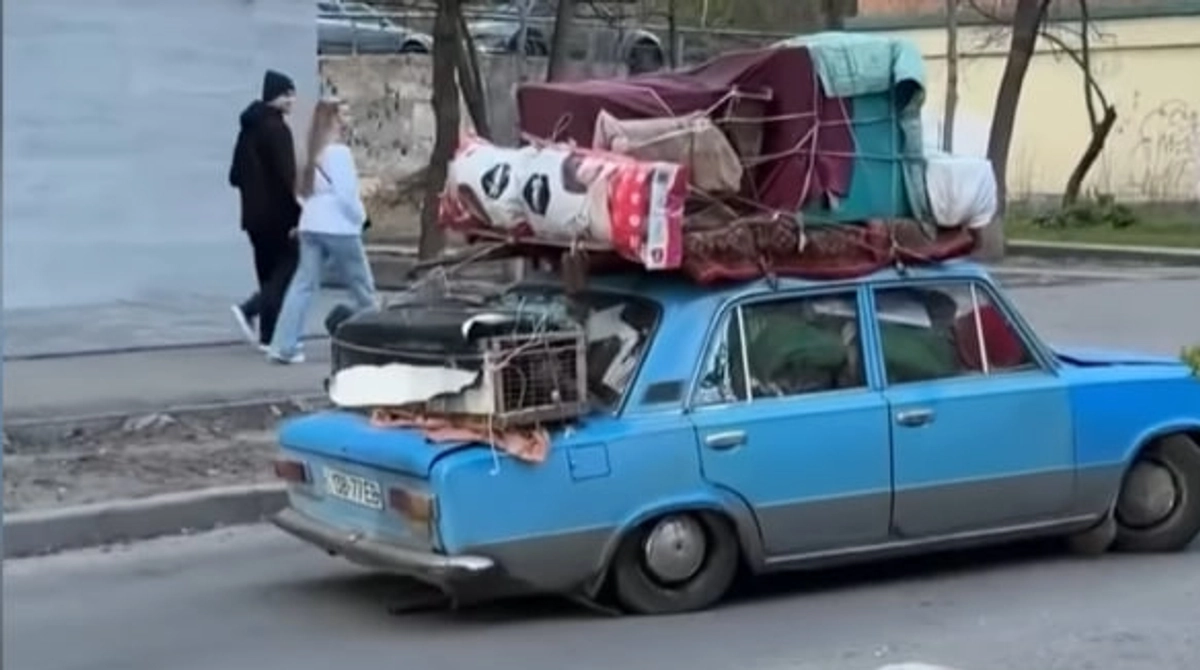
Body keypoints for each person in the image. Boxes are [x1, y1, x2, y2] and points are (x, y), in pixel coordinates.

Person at [268, 97, 377, 364]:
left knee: (302, 286)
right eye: (344, 115)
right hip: (339, 227)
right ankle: (379, 341)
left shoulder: (311, 152)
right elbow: (347, 195)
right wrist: (360, 218)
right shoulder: (339, 153)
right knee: (363, 288)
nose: (348, 119)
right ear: (334, 120)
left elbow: (303, 194)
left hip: (311, 224)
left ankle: (283, 346)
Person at [228, 69, 302, 352]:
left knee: (267, 273)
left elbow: (234, 176)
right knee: (287, 271)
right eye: (290, 95)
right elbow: (288, 176)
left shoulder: (247, 130)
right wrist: (298, 214)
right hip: (279, 217)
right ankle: (251, 308)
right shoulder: (278, 130)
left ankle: (268, 338)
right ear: (279, 97)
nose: (293, 101)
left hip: (252, 217)